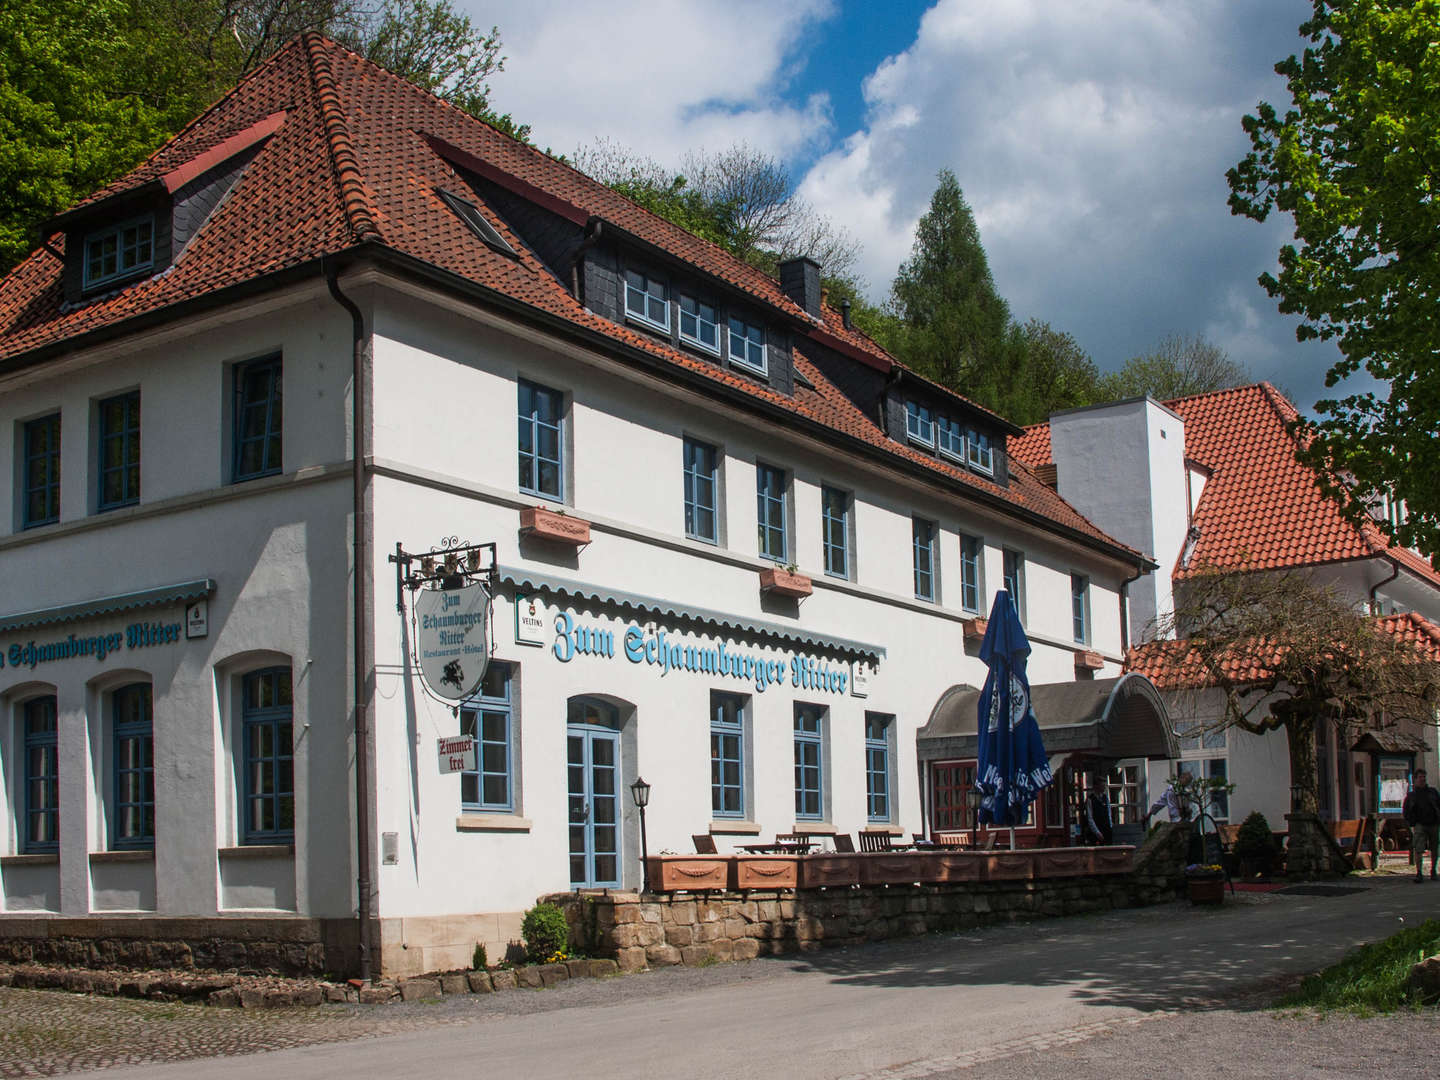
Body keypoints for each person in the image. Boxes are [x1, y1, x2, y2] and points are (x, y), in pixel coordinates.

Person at [1402, 769, 1440, 883]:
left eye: (1424, 777)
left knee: (1435, 848)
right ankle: (1419, 873)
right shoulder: (1412, 795)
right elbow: (1406, 810)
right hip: (1420, 824)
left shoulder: (1432, 792)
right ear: (1415, 779)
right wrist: (1411, 821)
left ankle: (1433, 870)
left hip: (1433, 823)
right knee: (1419, 849)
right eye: (1420, 777)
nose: (1423, 779)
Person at [1082, 776, 1114, 845]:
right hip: (1097, 830)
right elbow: (1090, 818)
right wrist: (1097, 832)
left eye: (1105, 785)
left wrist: (1110, 826)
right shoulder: (1090, 800)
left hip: (1107, 829)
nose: (1104, 787)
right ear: (1096, 786)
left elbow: (1109, 813)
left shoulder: (1105, 798)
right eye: (1102, 785)